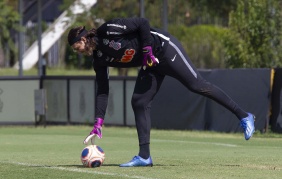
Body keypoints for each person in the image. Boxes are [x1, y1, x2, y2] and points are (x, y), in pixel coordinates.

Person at [67, 17, 255, 167]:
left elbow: (142, 23)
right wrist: (98, 122)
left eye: (77, 48)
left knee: (197, 85)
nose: (78, 52)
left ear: (83, 39)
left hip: (163, 49)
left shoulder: (107, 30)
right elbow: (102, 90)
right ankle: (144, 156)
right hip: (150, 64)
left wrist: (148, 49)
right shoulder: (98, 60)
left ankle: (244, 116)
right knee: (139, 102)